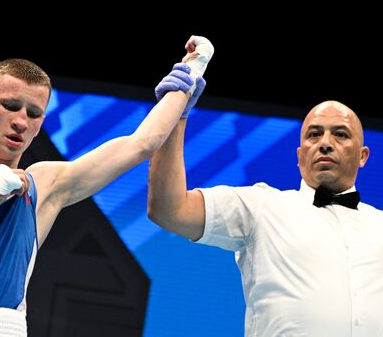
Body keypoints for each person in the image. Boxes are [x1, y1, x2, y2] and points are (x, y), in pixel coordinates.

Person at [0, 36, 210, 336]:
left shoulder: (46, 186)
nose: (21, 121)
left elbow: (142, 144)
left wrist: (188, 79)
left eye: (33, 113)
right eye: (10, 106)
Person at [148, 43, 383, 335]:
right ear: (299, 156)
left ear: (363, 156)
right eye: (314, 134)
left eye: (340, 134)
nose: (325, 142)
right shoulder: (262, 207)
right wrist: (174, 114)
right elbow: (169, 209)